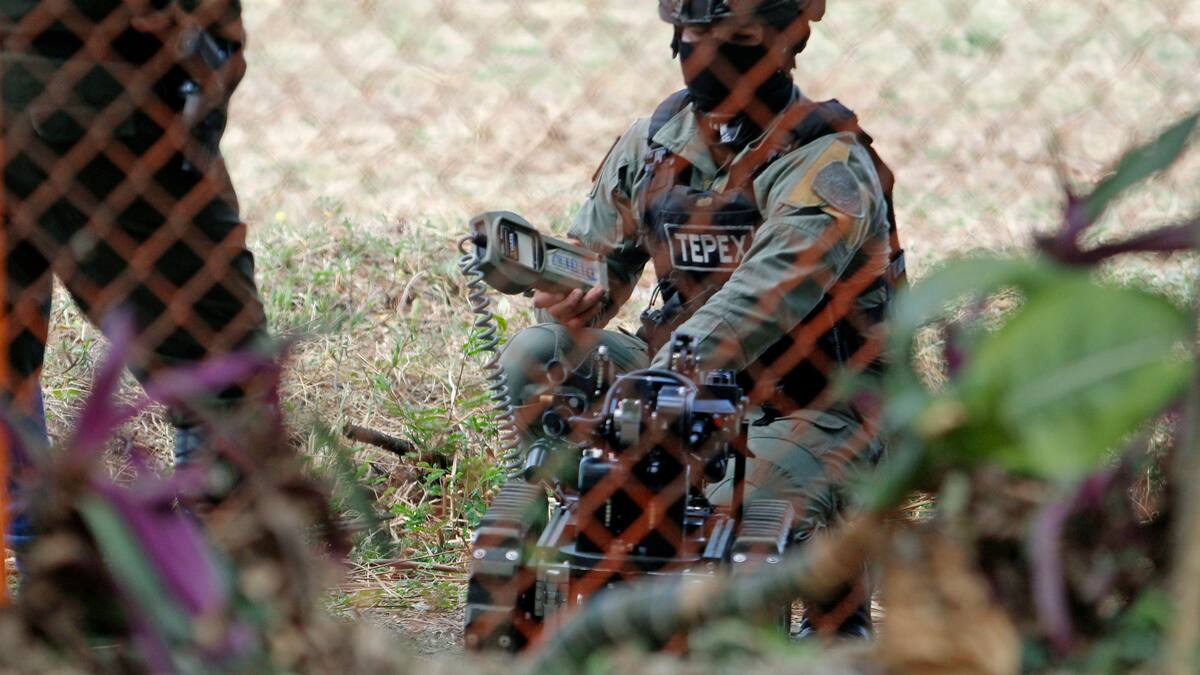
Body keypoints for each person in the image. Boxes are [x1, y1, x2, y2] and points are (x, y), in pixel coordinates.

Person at [497, 0, 904, 637]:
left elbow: (761, 299)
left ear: (788, 37)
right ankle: (596, 524)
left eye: (737, 39)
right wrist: (566, 283)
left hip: (818, 405)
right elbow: (599, 271)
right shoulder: (656, 143)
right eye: (694, 38)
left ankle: (836, 598)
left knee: (727, 530)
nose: (711, 55)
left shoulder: (826, 165)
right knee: (536, 354)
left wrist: (656, 388)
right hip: (683, 385)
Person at [2, 0, 267, 552]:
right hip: (94, 67)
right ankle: (213, 607)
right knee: (223, 364)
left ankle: (42, 584)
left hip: (69, 61)